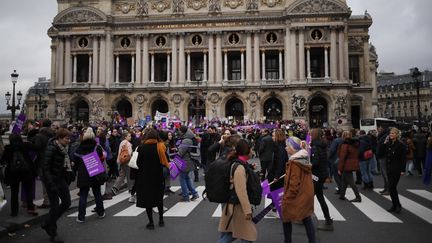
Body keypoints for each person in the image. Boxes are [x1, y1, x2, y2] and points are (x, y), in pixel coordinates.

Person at [218, 139, 257, 243]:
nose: (252, 151)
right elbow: (241, 191)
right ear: (247, 151)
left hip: (234, 205)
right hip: (238, 207)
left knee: (232, 234)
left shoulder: (240, 163)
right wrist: (247, 210)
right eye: (251, 149)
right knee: (246, 235)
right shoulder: (239, 167)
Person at [41, 128, 72, 243]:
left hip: (60, 179)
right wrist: (50, 183)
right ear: (59, 138)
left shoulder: (63, 148)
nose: (68, 141)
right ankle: (52, 231)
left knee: (67, 202)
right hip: (52, 180)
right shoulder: (52, 148)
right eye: (66, 138)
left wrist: (69, 172)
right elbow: (46, 167)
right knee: (54, 206)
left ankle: (47, 222)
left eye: (69, 138)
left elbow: (63, 164)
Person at [281, 136, 316, 243]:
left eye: (287, 146)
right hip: (306, 193)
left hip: (298, 194)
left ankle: (287, 241)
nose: (286, 148)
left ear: (292, 147)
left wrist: (287, 198)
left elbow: (294, 183)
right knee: (306, 217)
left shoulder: (294, 162)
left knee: (286, 217)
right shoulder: (304, 158)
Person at [135, 128, 170, 229]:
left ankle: (151, 222)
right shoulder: (160, 147)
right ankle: (161, 220)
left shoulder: (142, 147)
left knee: (148, 200)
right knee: (159, 198)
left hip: (145, 177)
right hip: (157, 176)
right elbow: (165, 160)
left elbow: (138, 163)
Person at [73, 128, 106, 223]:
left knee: (83, 194)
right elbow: (102, 159)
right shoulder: (97, 147)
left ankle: (81, 217)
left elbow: (75, 160)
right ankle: (100, 213)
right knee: (97, 193)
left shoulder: (79, 148)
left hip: (83, 173)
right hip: (94, 171)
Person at [1, 134, 38, 216]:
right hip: (26, 171)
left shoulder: (8, 148)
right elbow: (36, 148)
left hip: (13, 173)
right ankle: (30, 208)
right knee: (28, 190)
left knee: (14, 192)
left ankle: (14, 211)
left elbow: (3, 160)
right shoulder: (25, 145)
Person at [310, 128, 333, 231]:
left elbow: (315, 162)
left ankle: (328, 221)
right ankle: (327, 220)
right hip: (322, 173)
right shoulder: (322, 144)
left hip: (317, 175)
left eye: (311, 134)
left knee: (312, 197)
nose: (310, 136)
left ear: (314, 135)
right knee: (317, 196)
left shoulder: (315, 146)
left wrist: (308, 165)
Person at [380, 128, 406, 213]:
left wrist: (402, 170)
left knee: (392, 187)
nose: (391, 135)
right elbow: (380, 153)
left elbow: (403, 158)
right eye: (390, 133)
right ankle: (395, 205)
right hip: (389, 168)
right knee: (391, 188)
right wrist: (384, 143)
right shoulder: (388, 143)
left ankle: (397, 205)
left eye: (393, 133)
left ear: (397, 135)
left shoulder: (400, 145)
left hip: (396, 169)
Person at [338, 130, 361, 202]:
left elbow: (342, 157)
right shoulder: (354, 143)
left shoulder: (345, 144)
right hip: (353, 162)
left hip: (347, 164)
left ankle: (358, 197)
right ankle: (342, 195)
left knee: (351, 182)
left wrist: (340, 168)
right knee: (344, 180)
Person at [177, 126, 199, 202]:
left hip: (184, 161)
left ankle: (186, 196)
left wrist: (177, 152)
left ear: (182, 132)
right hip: (187, 161)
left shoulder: (186, 140)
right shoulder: (188, 139)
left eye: (179, 130)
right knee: (186, 178)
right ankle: (194, 194)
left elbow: (181, 152)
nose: (178, 132)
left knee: (182, 179)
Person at [111, 131, 134, 202]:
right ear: (125, 137)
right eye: (129, 136)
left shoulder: (121, 142)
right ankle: (131, 189)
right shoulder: (128, 144)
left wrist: (119, 161)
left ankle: (115, 187)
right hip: (127, 161)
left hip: (121, 160)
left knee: (122, 175)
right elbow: (130, 153)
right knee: (129, 175)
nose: (130, 137)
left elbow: (119, 152)